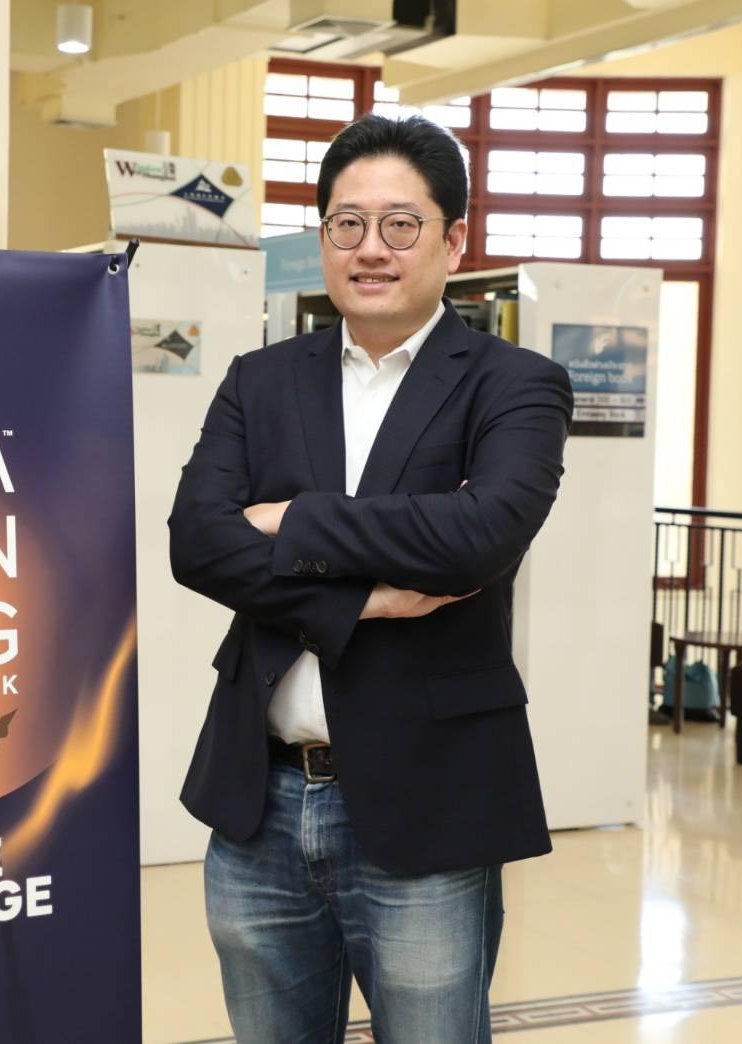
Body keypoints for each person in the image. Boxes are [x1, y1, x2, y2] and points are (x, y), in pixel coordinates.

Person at [167, 113, 573, 1043]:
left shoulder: (515, 384)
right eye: (347, 224)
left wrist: (290, 518)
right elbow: (198, 543)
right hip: (261, 798)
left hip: (429, 798)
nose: (371, 248)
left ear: (453, 240)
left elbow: (477, 538)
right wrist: (363, 595)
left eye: (400, 224)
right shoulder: (261, 379)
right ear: (323, 238)